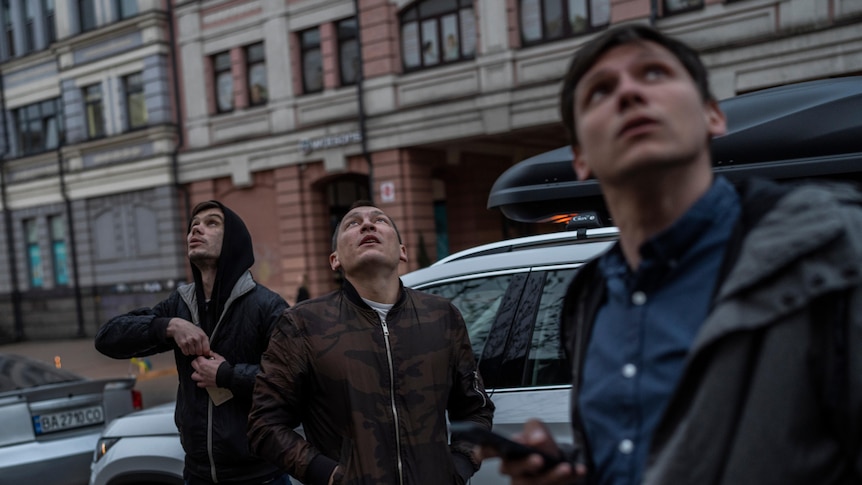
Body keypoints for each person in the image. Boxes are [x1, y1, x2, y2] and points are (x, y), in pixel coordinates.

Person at [488, 24, 862, 485]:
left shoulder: (837, 246)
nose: (628, 93)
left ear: (712, 117)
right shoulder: (590, 297)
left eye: (654, 74)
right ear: (580, 157)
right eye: (600, 91)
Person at [248, 200, 495, 485]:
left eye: (380, 220)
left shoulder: (442, 316)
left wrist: (459, 466)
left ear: (402, 252)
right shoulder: (302, 324)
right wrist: (329, 475)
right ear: (335, 260)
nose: (367, 224)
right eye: (352, 224)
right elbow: (264, 424)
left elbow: (476, 409)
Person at [95, 200, 291, 485]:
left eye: (212, 223)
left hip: (261, 476)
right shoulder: (181, 304)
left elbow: (292, 382)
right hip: (196, 475)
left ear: (234, 240)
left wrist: (227, 375)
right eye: (193, 225)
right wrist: (168, 326)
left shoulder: (267, 305)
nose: (196, 229)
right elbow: (107, 338)